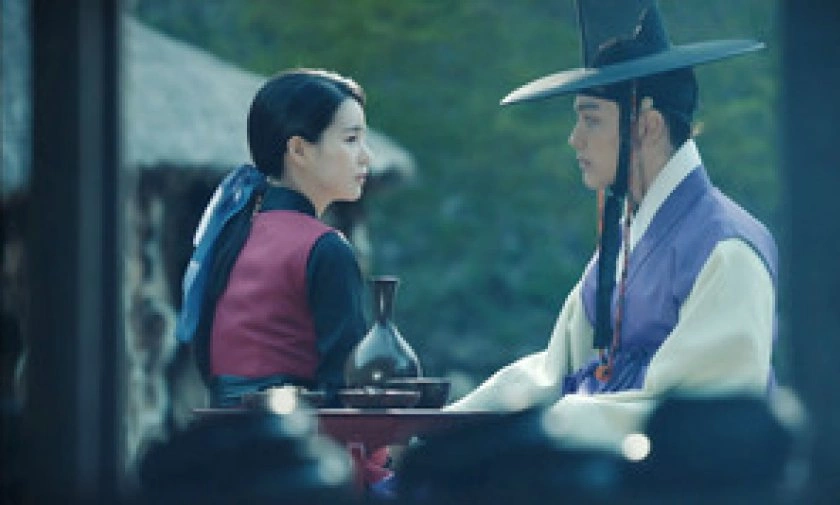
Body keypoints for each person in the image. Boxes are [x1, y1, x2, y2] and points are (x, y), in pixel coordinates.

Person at [446, 0, 778, 449]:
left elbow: (700, 415)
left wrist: (549, 427)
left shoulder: (726, 248)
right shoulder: (622, 242)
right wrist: (442, 426)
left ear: (647, 127)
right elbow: (553, 372)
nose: (575, 139)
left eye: (591, 120)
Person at [175, 68, 371, 408]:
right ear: (298, 150)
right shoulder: (325, 248)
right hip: (293, 432)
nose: (366, 156)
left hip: (225, 429)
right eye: (351, 140)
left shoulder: (233, 234)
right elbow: (348, 389)